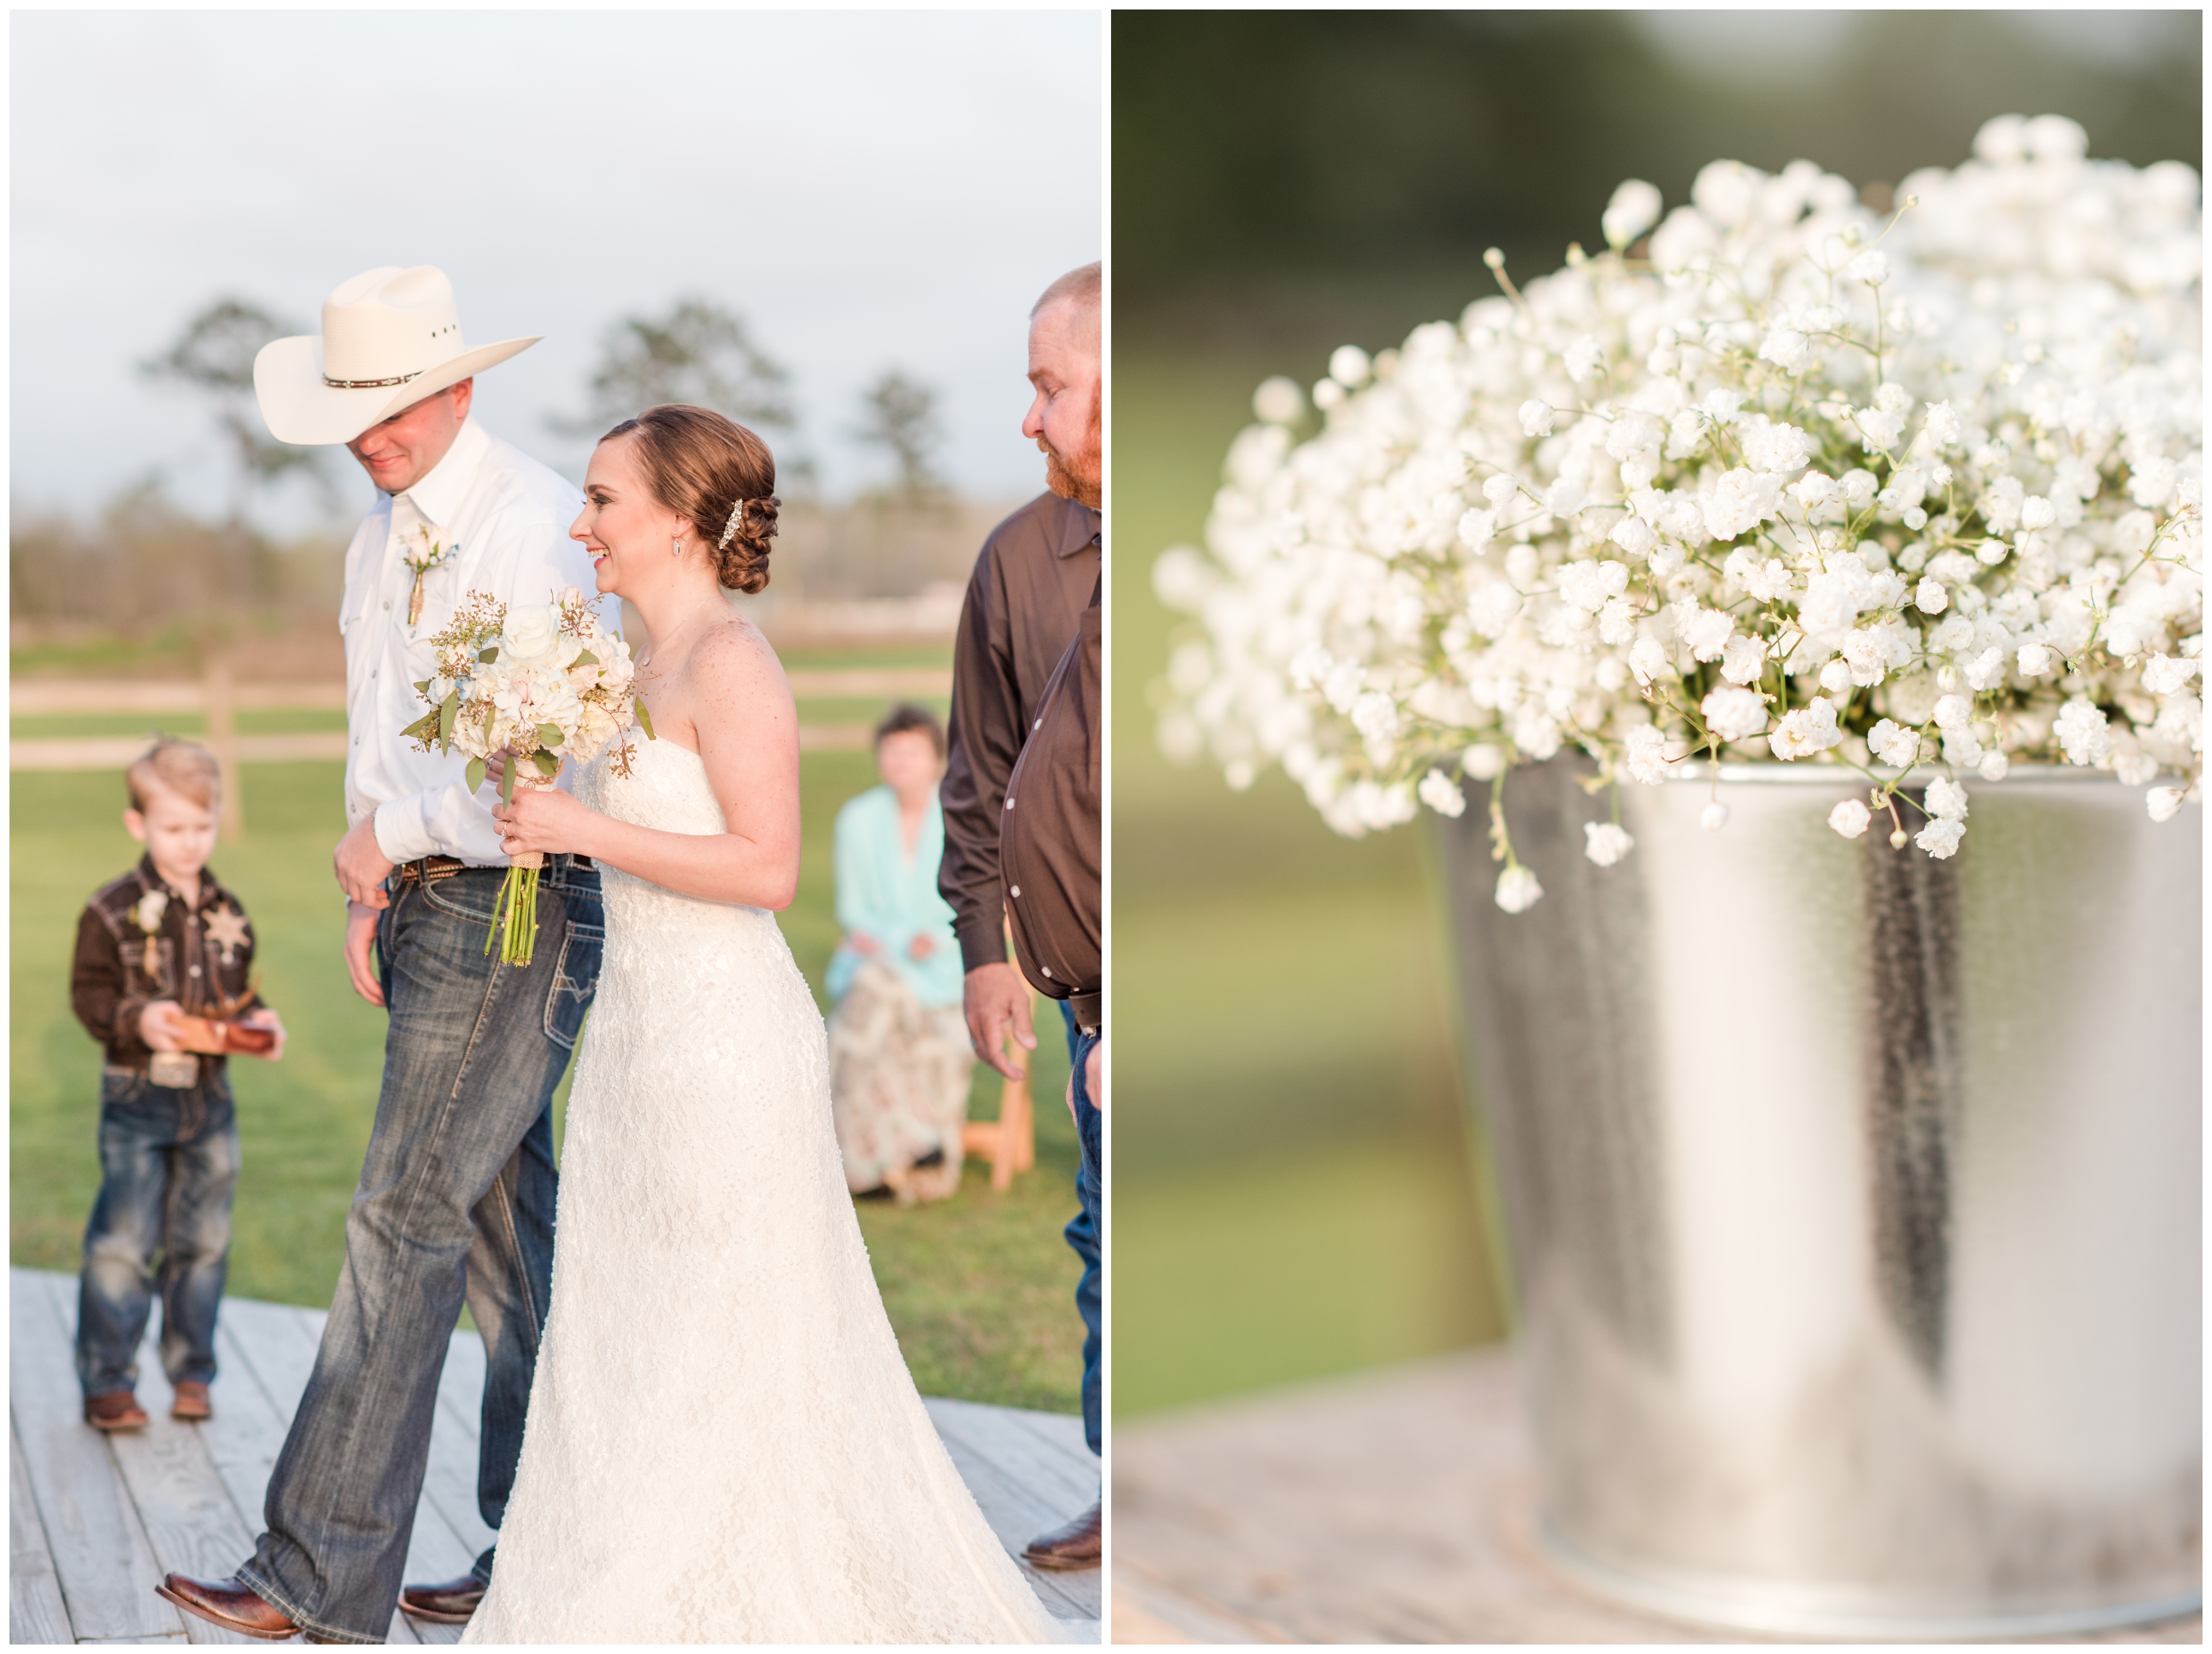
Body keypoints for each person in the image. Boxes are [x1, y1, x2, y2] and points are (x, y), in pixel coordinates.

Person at [447, 404, 1071, 1640]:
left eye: (602, 502)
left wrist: (584, 829)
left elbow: (767, 868)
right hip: (632, 1040)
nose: (582, 527)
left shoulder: (733, 663)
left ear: (680, 520)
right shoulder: (618, 666)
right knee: (630, 1316)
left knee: (728, 1324)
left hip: (726, 1039)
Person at [159, 265, 604, 1645]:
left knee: (399, 1222)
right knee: (502, 1235)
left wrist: (396, 838)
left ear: (460, 386)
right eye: (354, 407)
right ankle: (545, 1544)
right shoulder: (377, 534)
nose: (370, 431)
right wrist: (372, 882)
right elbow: (384, 732)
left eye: (394, 403)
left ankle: (319, 1575)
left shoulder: (532, 527)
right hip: (423, 900)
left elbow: (548, 761)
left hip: (511, 894)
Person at [939, 260, 1105, 1568]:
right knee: (1106, 1245)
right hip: (1073, 989)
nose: (1029, 418)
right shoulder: (1015, 555)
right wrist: (986, 955)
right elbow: (978, 774)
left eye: (1051, 387)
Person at [70, 739, 286, 1433]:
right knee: (124, 1242)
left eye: (201, 826)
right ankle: (109, 1379)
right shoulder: (109, 910)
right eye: (173, 828)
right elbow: (90, 996)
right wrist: (140, 1017)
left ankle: (192, 1370)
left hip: (210, 1103)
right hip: (136, 1098)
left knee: (204, 1241)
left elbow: (233, 998)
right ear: (139, 825)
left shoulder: (229, 910)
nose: (189, 843)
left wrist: (258, 1024)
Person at [826, 703, 974, 1203]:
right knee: (873, 989)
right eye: (891, 751)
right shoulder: (858, 819)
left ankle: (861, 1162)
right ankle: (903, 1147)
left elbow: (967, 907)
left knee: (864, 1008)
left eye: (912, 752)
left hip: (943, 967)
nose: (900, 762)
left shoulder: (962, 818)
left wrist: (927, 936)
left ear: (938, 760)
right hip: (878, 961)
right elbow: (855, 911)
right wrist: (898, 940)